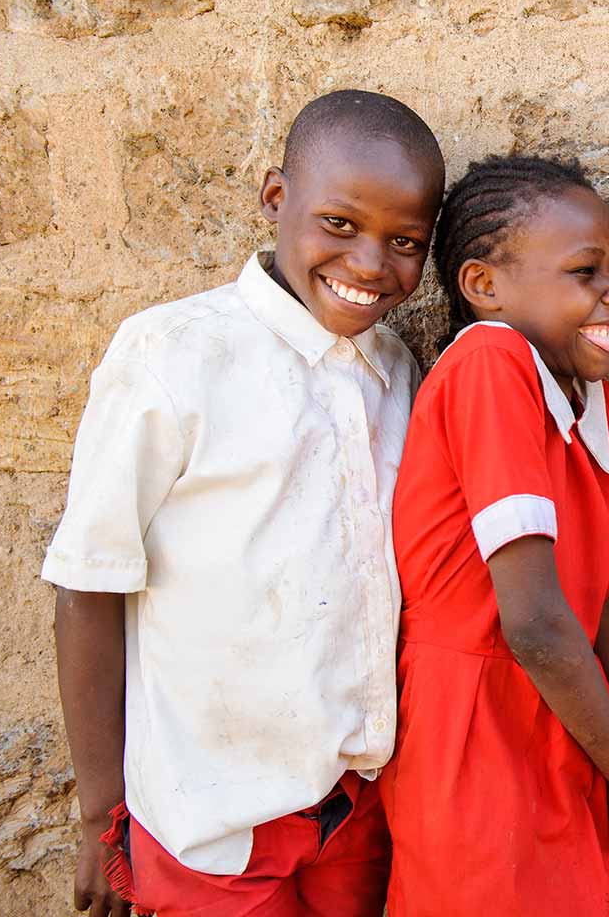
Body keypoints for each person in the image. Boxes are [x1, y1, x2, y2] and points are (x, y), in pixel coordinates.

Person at [45, 90, 447, 917]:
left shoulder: (396, 370)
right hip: (210, 824)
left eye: (405, 242)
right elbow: (89, 586)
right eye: (339, 223)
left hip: (354, 808)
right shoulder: (175, 354)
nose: (371, 264)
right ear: (276, 198)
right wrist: (100, 814)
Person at [381, 155, 609, 917]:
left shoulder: (594, 403)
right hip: (478, 736)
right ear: (484, 286)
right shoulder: (490, 365)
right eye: (586, 272)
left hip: (573, 725)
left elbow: (600, 611)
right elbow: (533, 623)